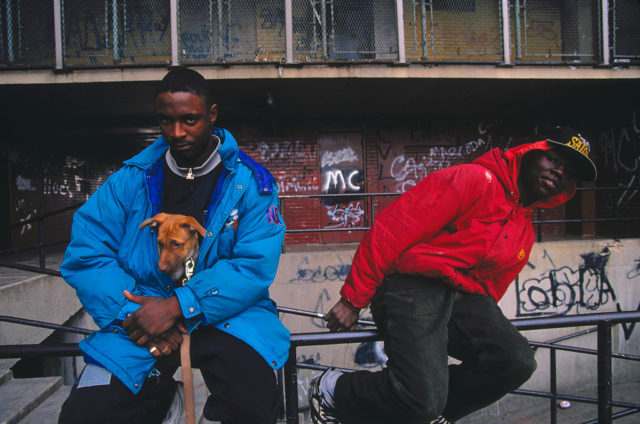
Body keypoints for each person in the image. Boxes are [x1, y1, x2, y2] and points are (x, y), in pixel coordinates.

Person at [309, 127, 598, 424]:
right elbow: (391, 231)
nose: (560, 172)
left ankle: (438, 413)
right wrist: (353, 299)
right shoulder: (473, 180)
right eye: (554, 160)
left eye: (569, 171)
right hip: (414, 284)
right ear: (531, 153)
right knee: (421, 397)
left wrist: (474, 328)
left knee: (515, 361)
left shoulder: (523, 231)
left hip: (463, 298)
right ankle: (335, 388)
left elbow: (490, 289)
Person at [58, 67, 289, 424]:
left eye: (190, 120)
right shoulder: (129, 180)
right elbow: (87, 255)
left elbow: (252, 266)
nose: (176, 132)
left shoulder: (252, 184)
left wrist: (178, 305)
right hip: (140, 311)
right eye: (166, 121)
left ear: (212, 115)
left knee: (254, 404)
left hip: (226, 314)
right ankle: (164, 400)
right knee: (86, 413)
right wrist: (133, 314)